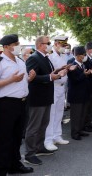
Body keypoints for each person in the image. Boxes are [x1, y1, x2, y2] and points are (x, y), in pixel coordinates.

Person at [0, 34, 36, 175]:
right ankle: (0, 170)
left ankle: (14, 165)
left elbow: (22, 81)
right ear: (6, 47)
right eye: (15, 43)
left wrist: (29, 79)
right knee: (4, 138)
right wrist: (11, 80)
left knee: (17, 137)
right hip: (5, 105)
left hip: (21, 103)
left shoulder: (19, 61)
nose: (18, 46)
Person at [24, 36, 67, 166]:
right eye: (47, 43)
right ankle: (29, 154)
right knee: (34, 127)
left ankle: (39, 147)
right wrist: (50, 77)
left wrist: (58, 72)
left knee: (44, 123)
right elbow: (31, 77)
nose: (49, 45)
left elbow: (48, 73)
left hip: (47, 96)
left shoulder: (45, 57)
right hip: (37, 97)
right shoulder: (34, 57)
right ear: (40, 45)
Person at [44, 36, 70, 152]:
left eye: (65, 45)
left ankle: (57, 135)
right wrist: (60, 70)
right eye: (62, 45)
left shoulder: (63, 55)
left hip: (61, 87)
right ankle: (48, 140)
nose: (64, 47)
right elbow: (49, 72)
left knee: (59, 112)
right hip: (53, 86)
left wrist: (67, 69)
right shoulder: (50, 55)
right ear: (56, 44)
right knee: (51, 114)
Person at [67, 46, 92, 140]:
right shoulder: (72, 65)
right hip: (76, 95)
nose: (84, 56)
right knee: (76, 115)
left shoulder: (83, 65)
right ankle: (75, 133)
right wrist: (84, 74)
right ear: (78, 55)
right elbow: (74, 80)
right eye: (83, 55)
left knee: (82, 114)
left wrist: (88, 73)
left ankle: (80, 130)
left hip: (84, 93)